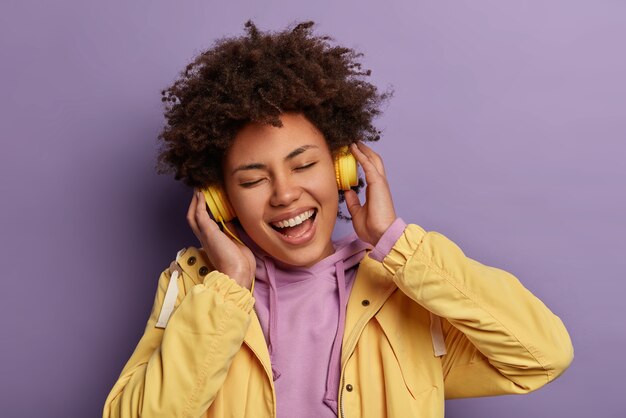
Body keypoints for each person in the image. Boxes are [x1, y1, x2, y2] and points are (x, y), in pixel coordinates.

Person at [102, 20, 573, 418]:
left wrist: (397, 244)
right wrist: (230, 287)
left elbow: (541, 356)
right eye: (252, 180)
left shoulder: (397, 291)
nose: (285, 194)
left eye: (304, 165)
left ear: (342, 167)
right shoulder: (194, 288)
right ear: (220, 201)